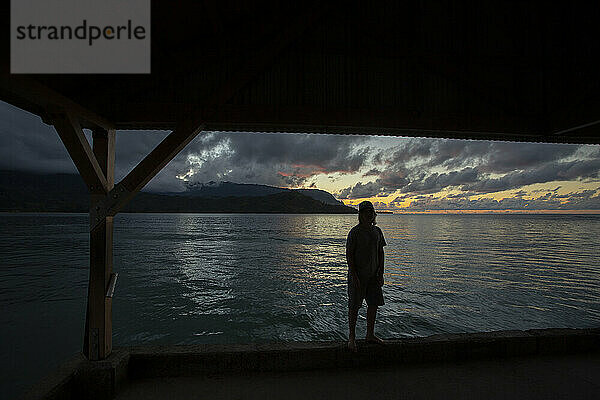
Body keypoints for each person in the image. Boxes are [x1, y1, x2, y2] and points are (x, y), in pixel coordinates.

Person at [346, 200, 386, 352]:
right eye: (365, 212)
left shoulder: (377, 232)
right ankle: (352, 337)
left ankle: (370, 334)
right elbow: (349, 255)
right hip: (357, 276)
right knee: (354, 307)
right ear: (360, 215)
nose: (368, 215)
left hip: (374, 277)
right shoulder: (354, 232)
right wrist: (354, 275)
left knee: (373, 304)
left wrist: (381, 273)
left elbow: (380, 253)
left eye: (371, 212)